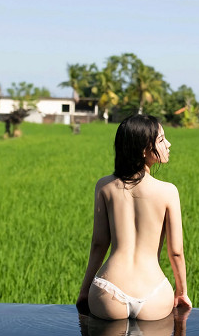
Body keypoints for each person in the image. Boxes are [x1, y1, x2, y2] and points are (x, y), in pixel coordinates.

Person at [77, 114, 192, 321]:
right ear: (144, 150)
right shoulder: (168, 191)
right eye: (161, 139)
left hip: (108, 290)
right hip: (153, 292)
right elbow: (176, 252)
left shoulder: (104, 186)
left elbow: (98, 244)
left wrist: (85, 290)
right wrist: (182, 292)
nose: (168, 144)